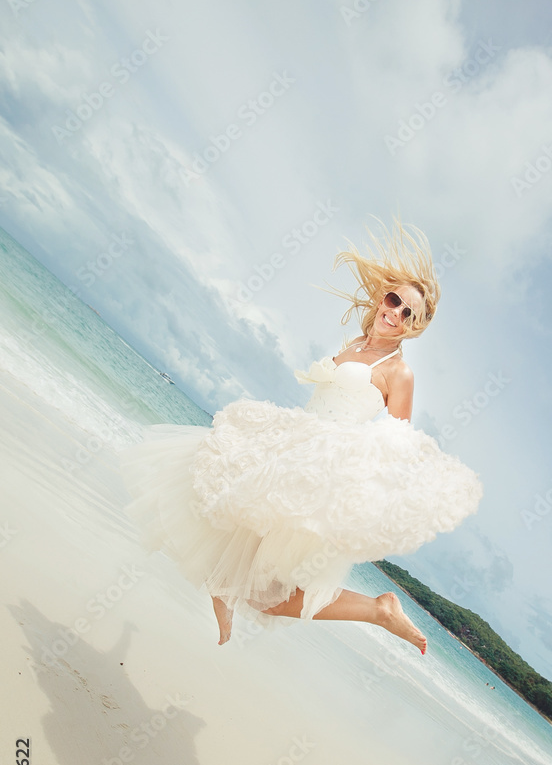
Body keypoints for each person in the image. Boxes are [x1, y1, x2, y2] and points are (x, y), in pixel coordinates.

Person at [118, 219, 483, 656]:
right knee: (220, 501)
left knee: (267, 594)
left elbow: (397, 440)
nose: (397, 314)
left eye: (410, 314)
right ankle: (222, 590)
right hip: (293, 445)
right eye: (395, 301)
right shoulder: (357, 344)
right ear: (382, 296)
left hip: (321, 469)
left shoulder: (398, 371)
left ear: (413, 326)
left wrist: (361, 492)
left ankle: (378, 610)